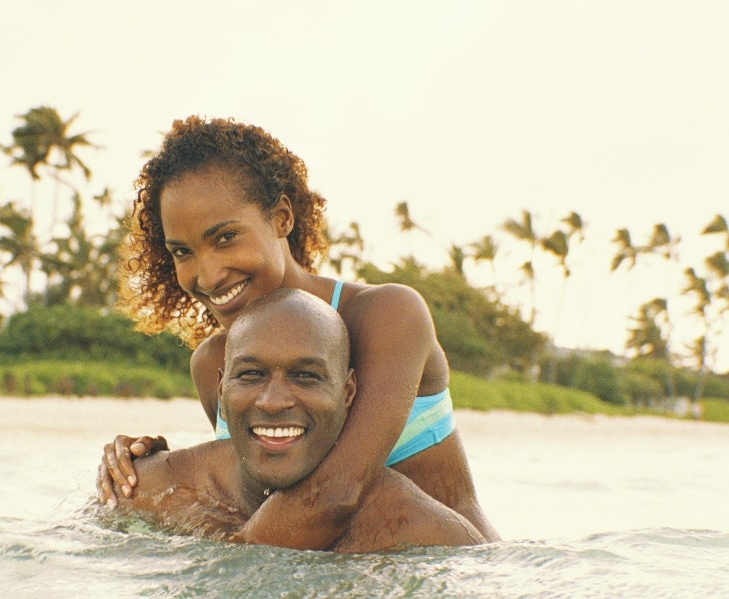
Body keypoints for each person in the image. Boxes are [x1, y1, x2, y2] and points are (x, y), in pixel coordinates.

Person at [100, 116, 500, 547]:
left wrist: (221, 575)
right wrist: (150, 469)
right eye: (183, 251)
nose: (208, 274)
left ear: (282, 218)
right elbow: (262, 490)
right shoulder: (214, 362)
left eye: (226, 238)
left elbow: (334, 495)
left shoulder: (387, 315)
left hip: (452, 576)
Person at [114, 288, 484, 552]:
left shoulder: (411, 524)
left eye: (306, 376)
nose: (273, 402)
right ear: (222, 391)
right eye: (251, 374)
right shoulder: (154, 486)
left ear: (348, 394)